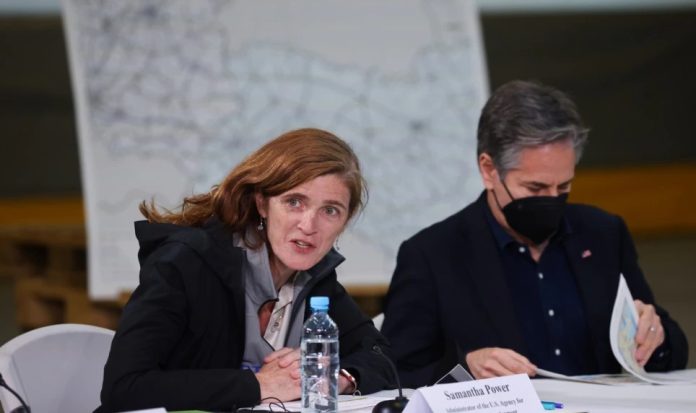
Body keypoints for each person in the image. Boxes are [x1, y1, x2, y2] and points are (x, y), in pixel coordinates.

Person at [381, 80, 689, 387]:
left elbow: (671, 352)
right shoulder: (432, 254)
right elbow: (392, 371)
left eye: (564, 186)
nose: (552, 199)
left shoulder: (603, 234)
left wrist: (655, 337)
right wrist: (466, 367)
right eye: (535, 188)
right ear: (489, 170)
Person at [96, 128, 394, 412]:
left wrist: (336, 378)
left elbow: (381, 356)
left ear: (344, 221)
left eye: (330, 210)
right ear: (262, 204)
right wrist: (260, 385)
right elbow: (125, 388)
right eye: (294, 202)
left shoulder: (316, 277)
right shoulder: (185, 263)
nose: (309, 226)